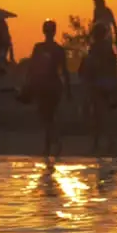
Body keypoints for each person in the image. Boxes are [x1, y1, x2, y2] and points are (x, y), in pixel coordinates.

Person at [22, 19, 72, 163]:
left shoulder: (39, 48)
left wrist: (27, 82)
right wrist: (68, 90)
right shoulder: (57, 49)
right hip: (53, 85)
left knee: (46, 117)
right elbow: (65, 71)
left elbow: (31, 68)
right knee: (49, 116)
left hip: (44, 85)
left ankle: (51, 144)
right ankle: (51, 144)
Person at [79, 22, 117, 157]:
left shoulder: (94, 48)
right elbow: (114, 68)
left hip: (98, 85)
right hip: (107, 84)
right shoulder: (108, 48)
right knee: (106, 115)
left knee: (97, 116)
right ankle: (110, 143)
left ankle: (98, 144)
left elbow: (88, 67)